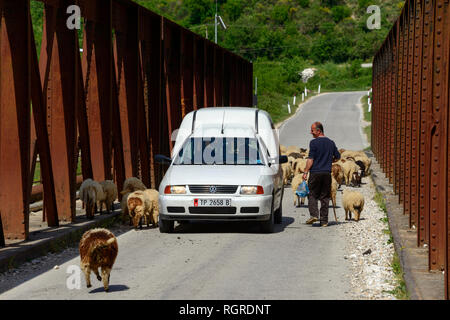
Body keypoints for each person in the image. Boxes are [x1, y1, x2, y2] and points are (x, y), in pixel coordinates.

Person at [302, 122, 340, 227]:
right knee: (325, 196)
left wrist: (305, 171)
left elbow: (310, 159)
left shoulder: (313, 143)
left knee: (312, 194)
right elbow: (337, 157)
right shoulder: (331, 143)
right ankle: (324, 221)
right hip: (327, 173)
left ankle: (314, 215)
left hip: (315, 173)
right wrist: (329, 161)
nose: (311, 132)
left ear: (319, 131)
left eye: (312, 130)